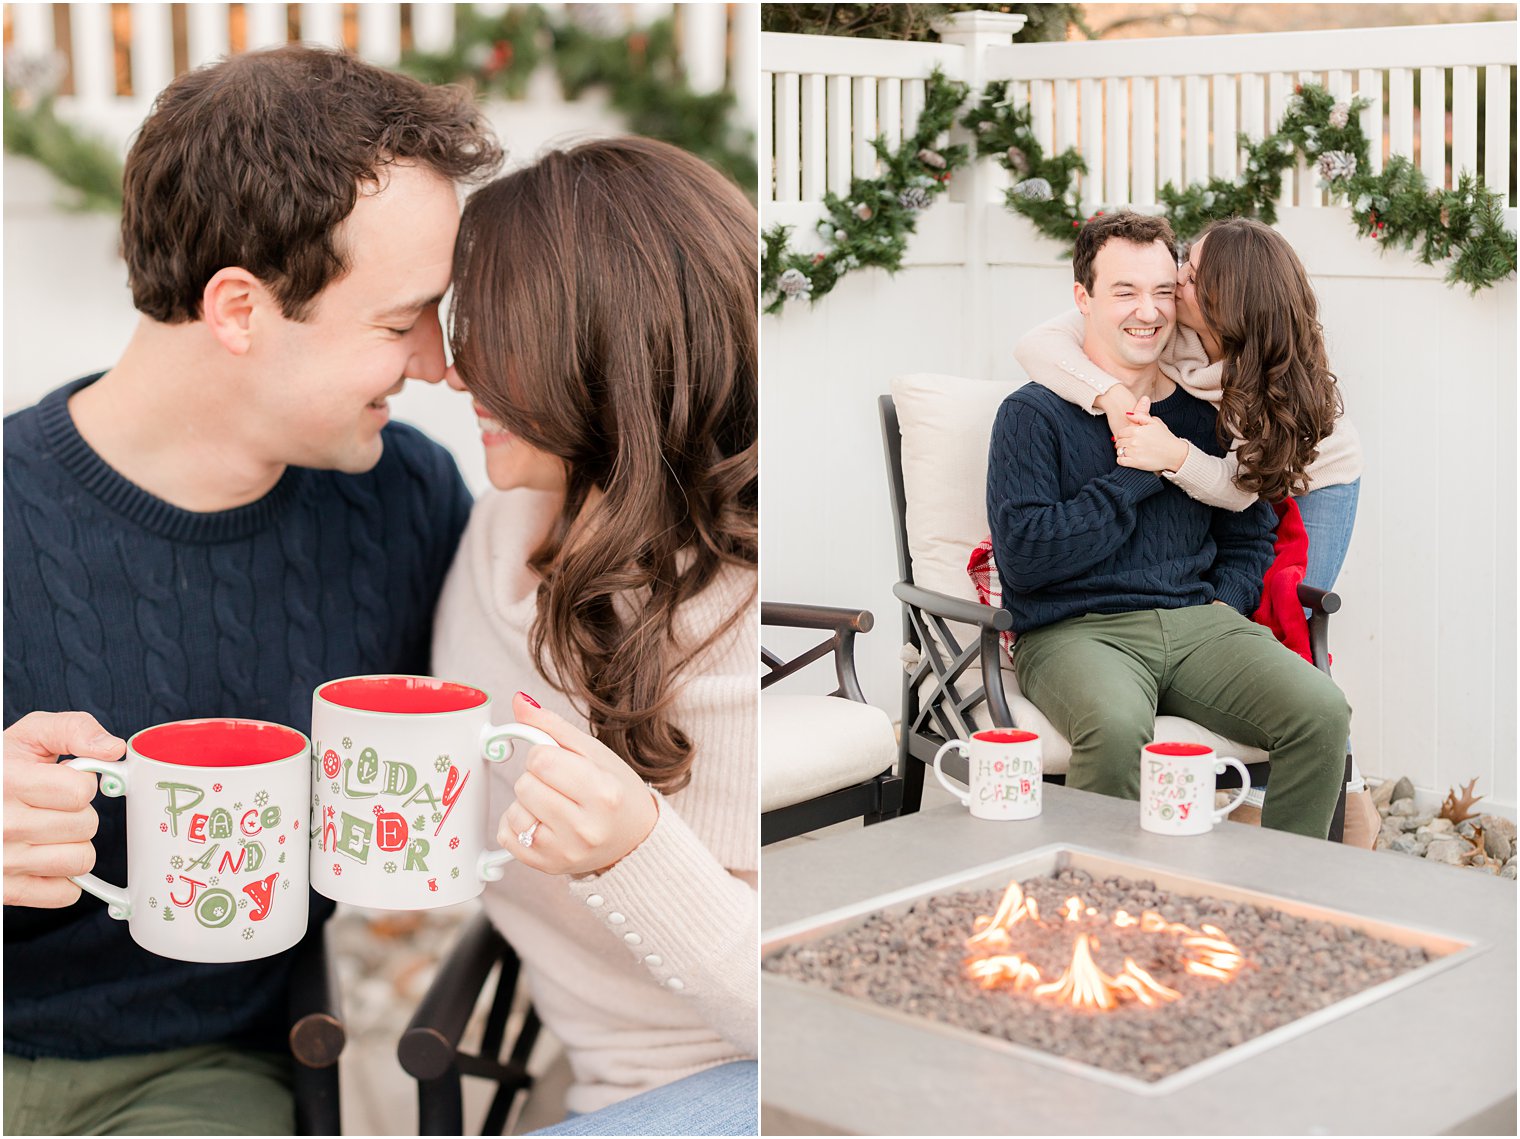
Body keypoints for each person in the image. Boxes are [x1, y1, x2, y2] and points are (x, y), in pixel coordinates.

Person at [3, 46, 501, 1135]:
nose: (438, 363)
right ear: (238, 307)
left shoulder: (408, 501)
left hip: (194, 1071)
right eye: (398, 319)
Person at [431, 136, 758, 1135]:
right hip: (611, 1085)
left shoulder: (746, 613)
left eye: (499, 331)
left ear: (615, 348)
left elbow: (807, 1005)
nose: (453, 369)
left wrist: (636, 849)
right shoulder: (495, 535)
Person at [988, 211, 1351, 839]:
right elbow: (1025, 558)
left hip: (1196, 622)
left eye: (1163, 291)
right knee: (1116, 723)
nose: (1149, 311)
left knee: (1321, 711)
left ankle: (1281, 902)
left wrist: (1222, 603)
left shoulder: (1208, 412)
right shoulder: (1029, 414)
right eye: (1124, 291)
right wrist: (1138, 472)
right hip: (1074, 631)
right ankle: (1100, 913)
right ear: (1084, 298)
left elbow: (1250, 533)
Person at [1014, 216, 1363, 595]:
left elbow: (1239, 489)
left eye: (1193, 277)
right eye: (1186, 261)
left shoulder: (1275, 375)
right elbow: (1036, 343)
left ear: (1227, 304)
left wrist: (1174, 455)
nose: (1177, 279)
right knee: (1248, 596)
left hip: (1312, 478)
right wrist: (1111, 395)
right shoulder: (1164, 317)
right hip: (1227, 472)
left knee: (1294, 611)